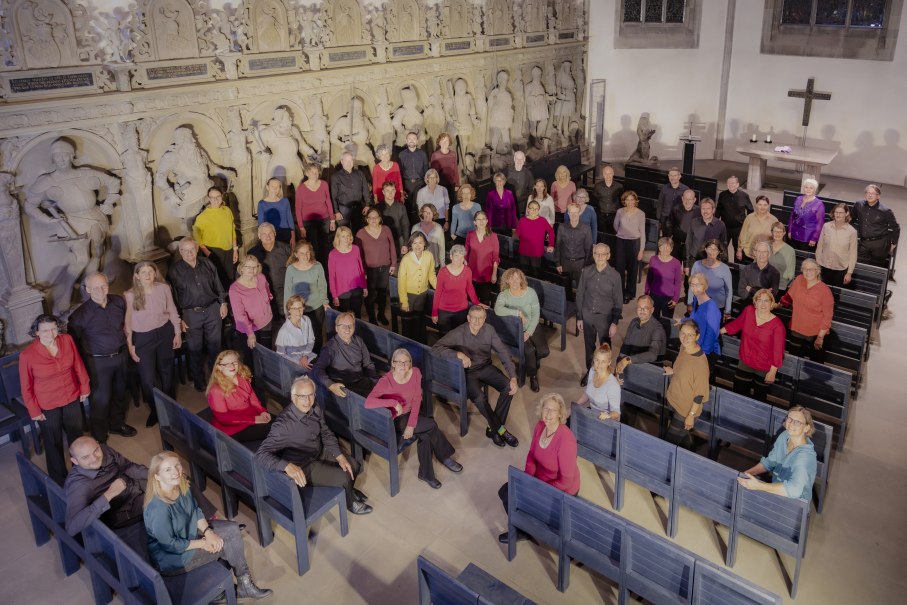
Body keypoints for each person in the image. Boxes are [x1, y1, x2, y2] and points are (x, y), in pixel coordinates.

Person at [144, 451, 272, 599]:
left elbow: (196, 511)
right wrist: (203, 543)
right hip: (174, 557)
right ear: (157, 476)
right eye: (168, 469)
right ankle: (239, 586)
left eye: (177, 465)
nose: (176, 472)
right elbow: (170, 545)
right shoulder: (158, 509)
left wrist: (208, 532)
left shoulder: (180, 483)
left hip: (189, 534)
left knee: (232, 529)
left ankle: (240, 585)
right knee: (230, 541)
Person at [256, 376, 372, 514]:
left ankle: (348, 490)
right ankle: (350, 503)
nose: (307, 401)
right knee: (344, 476)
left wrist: (339, 455)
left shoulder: (315, 407)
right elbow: (261, 455)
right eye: (302, 396)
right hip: (303, 464)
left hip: (318, 451)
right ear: (293, 397)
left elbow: (326, 433)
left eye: (310, 395)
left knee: (354, 465)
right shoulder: (283, 425)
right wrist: (287, 466)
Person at [365, 348, 462, 489]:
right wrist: (393, 403)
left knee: (426, 435)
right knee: (432, 424)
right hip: (397, 419)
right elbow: (368, 402)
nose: (403, 365)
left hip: (411, 414)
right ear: (393, 363)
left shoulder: (415, 372)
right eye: (399, 362)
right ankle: (444, 456)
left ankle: (426, 474)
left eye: (406, 362)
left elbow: (417, 399)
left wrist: (411, 425)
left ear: (410, 363)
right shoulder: (386, 381)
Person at [497, 393, 579, 544]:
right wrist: (527, 480)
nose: (548, 414)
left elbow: (566, 481)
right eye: (545, 408)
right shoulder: (540, 426)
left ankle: (524, 529)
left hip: (561, 491)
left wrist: (539, 489)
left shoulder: (566, 440)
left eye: (553, 410)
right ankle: (523, 530)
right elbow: (532, 455)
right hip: (539, 481)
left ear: (560, 414)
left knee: (520, 499)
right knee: (505, 491)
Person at [433, 305, 519, 448]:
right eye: (474, 318)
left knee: (508, 387)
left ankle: (493, 428)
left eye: (481, 318)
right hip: (467, 372)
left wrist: (513, 377)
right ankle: (501, 429)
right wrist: (458, 354)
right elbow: (437, 348)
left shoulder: (489, 330)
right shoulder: (458, 332)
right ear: (468, 318)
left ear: (485, 319)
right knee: (479, 398)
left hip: (485, 367)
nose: (477, 321)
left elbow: (503, 353)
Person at [19, 314, 89, 484]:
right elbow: (26, 387)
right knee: (53, 443)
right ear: (36, 332)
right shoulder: (27, 355)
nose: (50, 333)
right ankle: (60, 481)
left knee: (77, 437)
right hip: (47, 405)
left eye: (53, 328)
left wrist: (84, 386)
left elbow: (78, 364)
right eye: (44, 330)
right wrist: (34, 411)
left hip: (71, 396)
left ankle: (82, 473)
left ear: (57, 328)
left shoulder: (67, 340)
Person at [67, 273, 135, 442]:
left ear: (108, 285)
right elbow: (74, 346)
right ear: (88, 290)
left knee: (120, 393)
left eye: (103, 285)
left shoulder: (118, 302)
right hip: (97, 362)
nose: (100, 290)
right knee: (100, 400)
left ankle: (117, 424)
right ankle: (99, 435)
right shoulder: (79, 316)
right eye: (95, 287)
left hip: (120, 355)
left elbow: (126, 326)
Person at [65, 436, 148, 556]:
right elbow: (71, 527)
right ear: (75, 461)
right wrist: (109, 494)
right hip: (121, 511)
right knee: (167, 500)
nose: (94, 458)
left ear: (98, 445)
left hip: (133, 487)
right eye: (85, 457)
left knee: (175, 479)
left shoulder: (105, 450)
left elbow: (128, 467)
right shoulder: (79, 486)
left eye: (96, 450)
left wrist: (155, 473)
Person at [167, 238, 228, 392]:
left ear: (197, 249)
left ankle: (218, 378)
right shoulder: (174, 271)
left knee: (215, 346)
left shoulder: (207, 264)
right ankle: (199, 380)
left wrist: (223, 303)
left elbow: (218, 284)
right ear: (180, 252)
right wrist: (179, 319)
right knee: (195, 349)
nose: (189, 253)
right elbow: (172, 298)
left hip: (212, 310)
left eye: (192, 249)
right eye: (185, 250)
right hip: (190, 315)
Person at [125, 262, 181, 427]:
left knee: (166, 372)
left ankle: (170, 407)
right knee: (147, 378)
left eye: (151, 271)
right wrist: (130, 344)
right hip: (143, 338)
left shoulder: (163, 288)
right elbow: (127, 322)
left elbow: (171, 309)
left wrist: (177, 332)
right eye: (143, 272)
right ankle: (156, 410)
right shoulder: (129, 294)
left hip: (164, 332)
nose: (148, 275)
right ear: (137, 276)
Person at [738, 406, 817, 500]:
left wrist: (759, 486)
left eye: (798, 422)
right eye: (790, 419)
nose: (791, 424)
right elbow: (770, 462)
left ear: (806, 428)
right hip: (775, 489)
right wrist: (747, 474)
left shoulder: (805, 457)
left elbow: (794, 490)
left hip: (794, 503)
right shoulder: (784, 436)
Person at [721, 289, 786, 402]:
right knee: (738, 393)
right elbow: (736, 324)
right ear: (755, 302)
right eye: (759, 300)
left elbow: (778, 351)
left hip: (764, 366)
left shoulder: (778, 326)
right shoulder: (749, 311)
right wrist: (717, 332)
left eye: (766, 301)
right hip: (745, 361)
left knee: (759, 399)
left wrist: (772, 372)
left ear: (771, 304)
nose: (763, 304)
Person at [576, 244, 623, 386]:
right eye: (597, 254)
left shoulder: (615, 276)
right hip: (588, 315)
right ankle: (590, 373)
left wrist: (614, 322)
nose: (600, 257)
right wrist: (579, 317)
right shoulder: (586, 272)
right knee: (589, 347)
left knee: (604, 349)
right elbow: (580, 295)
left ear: (609, 256)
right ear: (593, 254)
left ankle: (604, 375)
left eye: (603, 254)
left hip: (605, 318)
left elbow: (618, 301)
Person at [495, 268, 548, 393]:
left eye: (517, 278)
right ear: (507, 280)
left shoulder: (531, 293)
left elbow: (536, 315)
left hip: (531, 325)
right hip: (515, 330)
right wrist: (517, 312)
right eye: (511, 278)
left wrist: (528, 332)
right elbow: (497, 310)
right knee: (529, 351)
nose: (514, 281)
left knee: (544, 351)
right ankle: (533, 376)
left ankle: (533, 362)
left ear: (521, 279)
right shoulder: (504, 294)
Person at [207, 350, 272, 444]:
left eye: (234, 362)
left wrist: (262, 411)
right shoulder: (215, 391)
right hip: (233, 428)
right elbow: (225, 419)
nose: (232, 366)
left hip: (250, 415)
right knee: (275, 430)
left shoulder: (242, 376)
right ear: (219, 367)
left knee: (280, 423)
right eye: (226, 364)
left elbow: (253, 399)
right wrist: (254, 420)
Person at [663, 320, 710, 450]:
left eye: (690, 335)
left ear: (697, 336)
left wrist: (691, 416)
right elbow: (684, 368)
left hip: (685, 410)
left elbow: (700, 394)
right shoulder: (683, 348)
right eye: (683, 333)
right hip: (674, 400)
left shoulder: (700, 363)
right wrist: (674, 371)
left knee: (669, 444)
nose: (685, 338)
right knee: (680, 438)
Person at [777, 259, 834, 363]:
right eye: (805, 269)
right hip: (797, 329)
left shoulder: (825, 291)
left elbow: (827, 317)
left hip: (815, 334)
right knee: (794, 360)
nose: (808, 272)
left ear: (818, 271)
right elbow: (789, 296)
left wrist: (820, 337)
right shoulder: (799, 279)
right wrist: (778, 304)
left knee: (814, 365)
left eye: (811, 269)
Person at [313, 311, 378, 397]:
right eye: (343, 326)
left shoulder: (359, 341)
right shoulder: (330, 348)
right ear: (336, 328)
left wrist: (374, 381)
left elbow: (368, 364)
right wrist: (330, 385)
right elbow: (317, 369)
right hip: (345, 388)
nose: (347, 329)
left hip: (361, 380)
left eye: (350, 325)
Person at [229, 255, 273, 371]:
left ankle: (266, 380)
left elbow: (266, 287)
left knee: (266, 354)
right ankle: (252, 385)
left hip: (266, 321)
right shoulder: (235, 289)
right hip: (249, 330)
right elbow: (240, 315)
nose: (251, 270)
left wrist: (268, 297)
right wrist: (250, 333)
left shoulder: (261, 277)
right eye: (248, 267)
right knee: (251, 359)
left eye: (254, 267)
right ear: (241, 268)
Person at [284, 240, 329, 353]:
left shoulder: (317, 266)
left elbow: (322, 285)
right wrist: (287, 312)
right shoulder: (291, 269)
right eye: (302, 253)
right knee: (302, 335)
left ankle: (317, 357)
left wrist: (325, 302)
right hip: (298, 309)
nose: (305, 255)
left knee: (317, 334)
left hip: (316, 306)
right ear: (296, 254)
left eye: (307, 252)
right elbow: (287, 291)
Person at [356, 206, 397, 325]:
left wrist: (393, 263)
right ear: (367, 219)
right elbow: (358, 255)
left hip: (384, 266)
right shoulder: (361, 233)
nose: (373, 220)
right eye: (370, 218)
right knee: (370, 294)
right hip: (369, 269)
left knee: (382, 292)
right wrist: (362, 272)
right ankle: (372, 318)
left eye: (376, 217)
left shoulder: (386, 229)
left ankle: (381, 314)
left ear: (380, 218)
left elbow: (392, 246)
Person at [193, 186, 238, 288]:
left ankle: (230, 301)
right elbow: (197, 240)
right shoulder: (202, 217)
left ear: (222, 196)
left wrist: (235, 249)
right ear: (208, 198)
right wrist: (209, 254)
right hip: (213, 252)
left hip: (229, 250)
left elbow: (232, 231)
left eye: (218, 196)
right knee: (218, 280)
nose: (215, 200)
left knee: (230, 278)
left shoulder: (227, 210)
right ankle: (221, 302)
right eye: (212, 197)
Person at [397, 232, 437, 342]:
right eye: (415, 243)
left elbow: (431, 274)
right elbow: (401, 281)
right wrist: (404, 301)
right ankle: (408, 345)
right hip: (408, 296)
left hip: (422, 295)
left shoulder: (429, 256)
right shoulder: (406, 259)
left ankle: (420, 344)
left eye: (420, 242)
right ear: (411, 244)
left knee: (419, 321)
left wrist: (438, 287)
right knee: (407, 322)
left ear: (425, 244)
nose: (418, 245)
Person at [432, 244, 480, 335]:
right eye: (456, 256)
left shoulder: (468, 270)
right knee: (444, 336)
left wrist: (476, 302)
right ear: (451, 256)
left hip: (461, 310)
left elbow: (470, 288)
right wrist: (434, 312)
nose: (459, 260)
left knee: (458, 335)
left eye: (462, 257)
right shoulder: (442, 272)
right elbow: (437, 293)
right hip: (444, 311)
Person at [248, 222, 292, 319]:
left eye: (270, 233)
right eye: (264, 234)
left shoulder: (286, 249)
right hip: (263, 293)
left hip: (284, 290)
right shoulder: (253, 253)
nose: (268, 236)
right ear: (259, 236)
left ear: (275, 234)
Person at [296, 163, 337, 264]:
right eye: (311, 172)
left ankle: (326, 268)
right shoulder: (301, 188)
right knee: (313, 246)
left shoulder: (324, 184)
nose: (314, 174)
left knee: (325, 245)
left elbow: (328, 201)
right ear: (307, 173)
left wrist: (332, 220)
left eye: (316, 172)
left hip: (324, 219)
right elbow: (298, 209)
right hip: (308, 222)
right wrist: (301, 227)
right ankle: (315, 267)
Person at [615, 295, 666, 374]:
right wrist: (618, 365)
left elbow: (652, 355)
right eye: (639, 307)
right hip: (631, 364)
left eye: (645, 308)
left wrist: (629, 360)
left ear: (652, 310)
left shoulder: (657, 329)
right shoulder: (634, 322)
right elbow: (626, 345)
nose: (642, 310)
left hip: (649, 369)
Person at [852, 183, 899, 267]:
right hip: (864, 242)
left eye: (873, 193)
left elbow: (895, 227)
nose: (870, 195)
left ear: (878, 196)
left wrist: (893, 243)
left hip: (880, 244)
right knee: (859, 267)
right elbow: (851, 219)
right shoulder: (858, 205)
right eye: (867, 193)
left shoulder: (885, 211)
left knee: (876, 269)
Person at [614, 190, 646, 304]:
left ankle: (630, 293)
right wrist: (623, 233)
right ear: (624, 201)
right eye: (627, 200)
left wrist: (641, 250)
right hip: (621, 242)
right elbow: (615, 226)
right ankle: (620, 292)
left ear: (635, 200)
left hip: (634, 242)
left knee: (633, 269)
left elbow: (642, 233)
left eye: (632, 199)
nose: (630, 202)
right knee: (619, 268)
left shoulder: (641, 213)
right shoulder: (619, 212)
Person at [330, 150, 373, 234]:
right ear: (342, 161)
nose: (349, 163)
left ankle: (357, 247)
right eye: (346, 160)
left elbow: (365, 190)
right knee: (343, 233)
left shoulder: (360, 174)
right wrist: (336, 212)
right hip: (343, 210)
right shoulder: (335, 177)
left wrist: (368, 204)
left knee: (358, 232)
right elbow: (333, 196)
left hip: (358, 209)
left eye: (351, 160)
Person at [689, 240, 733, 320]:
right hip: (699, 305)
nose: (712, 251)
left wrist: (728, 310)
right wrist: (690, 303)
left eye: (715, 249)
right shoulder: (697, 265)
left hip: (717, 307)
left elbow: (729, 291)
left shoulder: (725, 269)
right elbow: (691, 286)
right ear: (705, 249)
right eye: (710, 248)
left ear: (719, 252)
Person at [328, 226, 367, 317]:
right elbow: (331, 276)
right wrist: (334, 295)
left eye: (348, 235)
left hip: (357, 288)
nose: (346, 238)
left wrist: (364, 286)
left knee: (357, 315)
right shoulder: (333, 254)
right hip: (342, 291)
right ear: (338, 237)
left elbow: (361, 268)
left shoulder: (356, 249)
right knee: (343, 317)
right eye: (343, 236)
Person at [816, 203, 858, 287]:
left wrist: (849, 273)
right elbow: (820, 246)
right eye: (836, 212)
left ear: (846, 214)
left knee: (834, 295)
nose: (838, 215)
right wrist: (817, 265)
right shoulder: (826, 226)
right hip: (823, 266)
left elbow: (853, 254)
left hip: (840, 269)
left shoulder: (852, 231)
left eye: (841, 213)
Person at [685, 273, 721, 372]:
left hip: (707, 352)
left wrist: (701, 354)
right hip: (696, 346)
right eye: (692, 285)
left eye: (698, 285)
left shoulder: (711, 307)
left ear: (705, 286)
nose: (694, 288)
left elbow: (711, 334)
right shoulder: (696, 299)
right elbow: (694, 318)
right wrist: (683, 320)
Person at [556, 202, 593, 293]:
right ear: (568, 213)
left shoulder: (586, 229)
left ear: (579, 213)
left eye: (576, 212)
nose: (573, 215)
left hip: (580, 264)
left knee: (581, 290)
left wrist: (586, 266)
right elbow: (558, 246)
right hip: (565, 263)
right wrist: (558, 263)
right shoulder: (562, 227)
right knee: (565, 290)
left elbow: (589, 248)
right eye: (571, 212)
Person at [577, 345, 621, 422]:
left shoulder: (613, 385)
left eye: (603, 361)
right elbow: (587, 393)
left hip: (606, 420)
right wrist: (573, 407)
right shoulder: (592, 371)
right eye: (597, 360)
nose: (599, 365)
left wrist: (608, 416)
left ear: (609, 362)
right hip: (593, 414)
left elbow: (616, 413)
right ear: (593, 359)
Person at [465, 211, 500, 304]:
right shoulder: (470, 235)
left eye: (483, 219)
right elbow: (466, 255)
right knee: (470, 301)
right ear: (474, 222)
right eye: (478, 219)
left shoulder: (493, 236)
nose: (481, 222)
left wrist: (494, 273)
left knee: (484, 303)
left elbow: (495, 257)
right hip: (472, 274)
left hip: (486, 275)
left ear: (487, 221)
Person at [685, 198, 728, 273]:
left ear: (713, 210)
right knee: (693, 283)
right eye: (703, 208)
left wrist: (722, 265)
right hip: (694, 261)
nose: (705, 211)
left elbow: (723, 246)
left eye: (708, 208)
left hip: (712, 263)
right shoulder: (693, 223)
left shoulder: (720, 225)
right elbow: (688, 243)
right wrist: (686, 264)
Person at [515, 200, 555, 278]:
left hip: (537, 252)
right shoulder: (522, 220)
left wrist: (551, 244)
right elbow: (518, 234)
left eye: (536, 209)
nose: (534, 210)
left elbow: (551, 232)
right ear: (528, 209)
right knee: (523, 273)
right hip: (524, 251)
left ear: (539, 210)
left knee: (536, 273)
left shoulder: (542, 220)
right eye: (532, 208)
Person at [645, 237, 682, 320]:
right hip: (654, 295)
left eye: (668, 247)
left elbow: (678, 282)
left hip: (668, 298)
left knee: (667, 321)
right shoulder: (653, 259)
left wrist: (675, 299)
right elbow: (649, 278)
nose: (665, 249)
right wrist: (646, 292)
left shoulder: (676, 263)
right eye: (663, 247)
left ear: (672, 249)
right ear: (659, 248)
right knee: (653, 320)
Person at [716, 176, 753, 257]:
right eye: (729, 183)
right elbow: (718, 209)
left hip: (739, 229)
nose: (730, 185)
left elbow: (751, 211)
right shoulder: (722, 195)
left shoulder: (744, 196)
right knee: (722, 249)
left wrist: (747, 224)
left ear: (737, 184)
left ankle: (737, 268)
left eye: (733, 183)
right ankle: (725, 266)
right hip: (725, 228)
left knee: (738, 250)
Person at [275, 295, 316, 369]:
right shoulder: (284, 331)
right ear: (289, 310)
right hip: (292, 363)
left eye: (300, 308)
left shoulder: (307, 320)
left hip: (306, 356)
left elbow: (311, 340)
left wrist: (305, 356)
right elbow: (280, 355)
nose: (298, 311)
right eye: (294, 308)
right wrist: (298, 362)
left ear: (303, 308)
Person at [738, 241, 781, 305]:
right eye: (759, 251)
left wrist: (751, 290)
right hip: (748, 305)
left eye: (764, 252)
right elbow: (741, 291)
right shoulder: (747, 269)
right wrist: (765, 292)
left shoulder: (775, 273)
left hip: (764, 308)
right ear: (755, 253)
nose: (761, 254)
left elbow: (772, 295)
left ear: (769, 254)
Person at [788, 178, 825, 251]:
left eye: (811, 188)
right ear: (803, 188)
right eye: (806, 187)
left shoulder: (819, 204)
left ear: (815, 189)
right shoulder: (798, 199)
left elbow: (820, 223)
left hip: (808, 237)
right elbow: (792, 216)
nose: (808, 189)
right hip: (794, 233)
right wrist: (789, 230)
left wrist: (814, 238)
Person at [398, 132, 429, 217]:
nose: (412, 141)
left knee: (419, 206)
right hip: (407, 184)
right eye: (410, 139)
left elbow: (426, 170)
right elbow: (399, 172)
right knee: (407, 207)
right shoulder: (401, 155)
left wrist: (426, 185)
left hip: (420, 184)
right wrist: (401, 189)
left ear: (417, 141)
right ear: (406, 141)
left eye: (414, 139)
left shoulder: (423, 154)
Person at [737, 195, 776, 262]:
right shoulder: (749, 218)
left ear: (768, 205)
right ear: (756, 205)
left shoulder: (774, 220)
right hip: (748, 254)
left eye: (765, 205)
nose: (762, 207)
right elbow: (743, 235)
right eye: (760, 204)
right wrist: (739, 250)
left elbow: (776, 239)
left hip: (765, 257)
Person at [376, 180, 411, 255]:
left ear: (395, 191)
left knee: (401, 261)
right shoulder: (378, 207)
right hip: (383, 239)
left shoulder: (401, 207)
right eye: (387, 190)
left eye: (392, 190)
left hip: (399, 238)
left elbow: (406, 225)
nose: (390, 193)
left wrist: (405, 244)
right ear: (383, 192)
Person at [257, 177, 295, 245]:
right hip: (270, 235)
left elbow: (290, 220)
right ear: (267, 187)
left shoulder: (285, 201)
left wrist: (293, 237)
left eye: (277, 187)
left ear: (280, 188)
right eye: (272, 186)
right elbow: (261, 224)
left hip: (285, 234)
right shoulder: (262, 204)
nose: (275, 188)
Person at [411, 203, 446, 270]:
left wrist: (442, 265)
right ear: (422, 213)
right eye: (426, 212)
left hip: (434, 264)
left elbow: (442, 247)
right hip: (419, 264)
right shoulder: (415, 228)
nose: (427, 215)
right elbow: (412, 247)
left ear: (433, 215)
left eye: (430, 213)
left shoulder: (438, 228)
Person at [668, 188, 698, 261]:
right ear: (682, 198)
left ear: (694, 200)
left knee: (688, 268)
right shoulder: (675, 209)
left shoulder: (699, 212)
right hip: (677, 243)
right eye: (685, 199)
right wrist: (669, 237)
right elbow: (669, 223)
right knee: (674, 265)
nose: (687, 201)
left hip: (691, 246)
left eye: (690, 199)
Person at [657, 167, 689, 235]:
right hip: (665, 218)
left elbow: (688, 205)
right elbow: (660, 203)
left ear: (679, 176)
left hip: (678, 220)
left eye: (675, 175)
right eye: (671, 175)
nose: (672, 177)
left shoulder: (685, 189)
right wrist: (659, 218)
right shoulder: (664, 188)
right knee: (665, 239)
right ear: (668, 176)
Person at [593, 163, 623, 235]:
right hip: (601, 215)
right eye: (605, 174)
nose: (608, 176)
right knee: (602, 234)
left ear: (613, 173)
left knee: (613, 234)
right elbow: (594, 200)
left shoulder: (619, 186)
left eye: (610, 173)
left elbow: (621, 200)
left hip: (614, 215)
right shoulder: (597, 186)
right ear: (603, 175)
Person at [429, 132, 459, 199]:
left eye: (446, 141)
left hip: (451, 184)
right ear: (439, 143)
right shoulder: (435, 155)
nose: (444, 143)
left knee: (451, 203)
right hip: (439, 185)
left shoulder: (453, 154)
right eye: (442, 141)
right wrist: (433, 185)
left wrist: (457, 184)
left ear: (449, 142)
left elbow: (455, 170)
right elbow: (433, 172)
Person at [768, 221, 796, 291]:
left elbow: (791, 273)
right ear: (771, 232)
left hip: (779, 286)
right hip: (763, 283)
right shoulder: (765, 245)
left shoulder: (790, 250)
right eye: (775, 231)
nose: (777, 234)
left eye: (780, 232)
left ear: (784, 233)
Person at [506, 151, 534, 216]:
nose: (519, 161)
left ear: (524, 160)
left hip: (523, 206)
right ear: (514, 159)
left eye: (521, 159)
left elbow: (531, 190)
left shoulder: (528, 173)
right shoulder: (507, 171)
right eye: (517, 159)